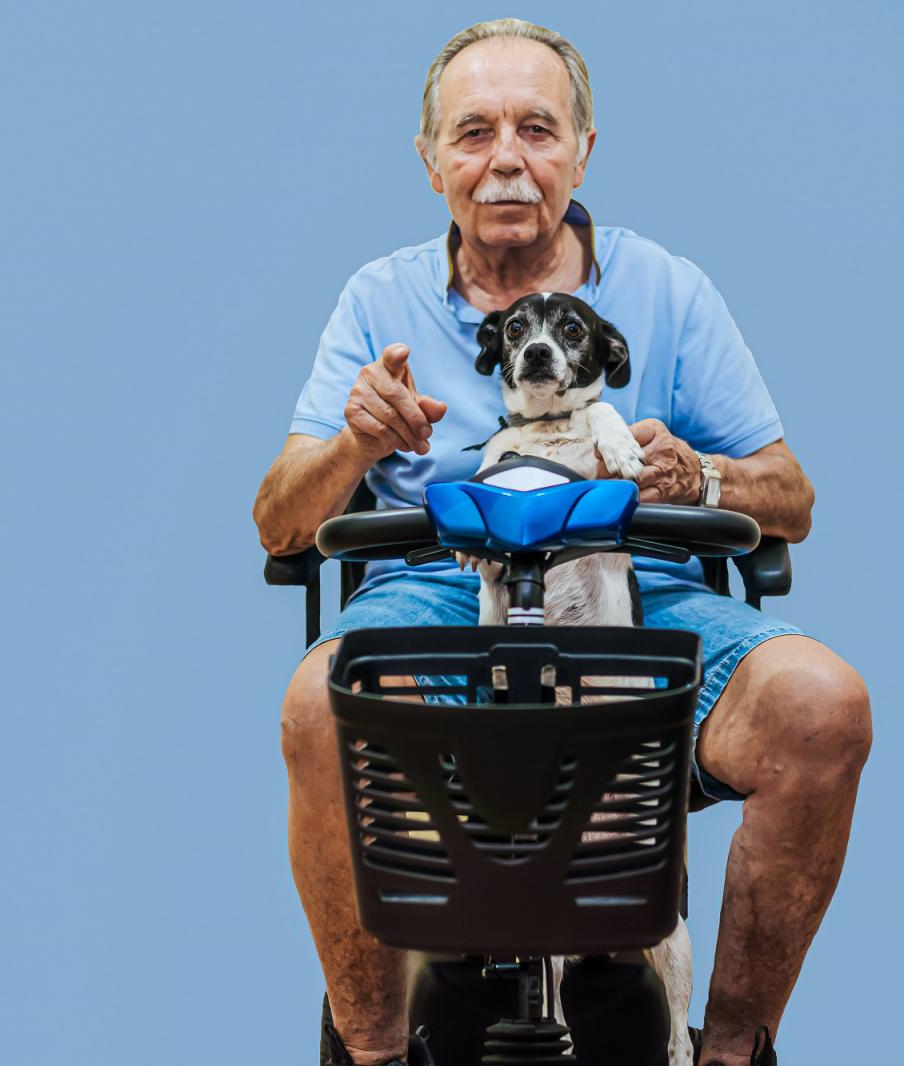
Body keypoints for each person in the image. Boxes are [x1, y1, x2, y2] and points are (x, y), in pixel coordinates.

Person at [252, 18, 870, 1066]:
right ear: (429, 159)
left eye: (536, 129)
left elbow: (791, 497)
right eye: (474, 131)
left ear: (583, 150)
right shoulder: (378, 301)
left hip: (645, 593)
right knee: (321, 704)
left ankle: (725, 1050)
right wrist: (354, 439)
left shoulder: (666, 289)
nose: (504, 159)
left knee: (822, 706)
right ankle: (371, 1052)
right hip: (438, 593)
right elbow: (279, 522)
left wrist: (702, 476)